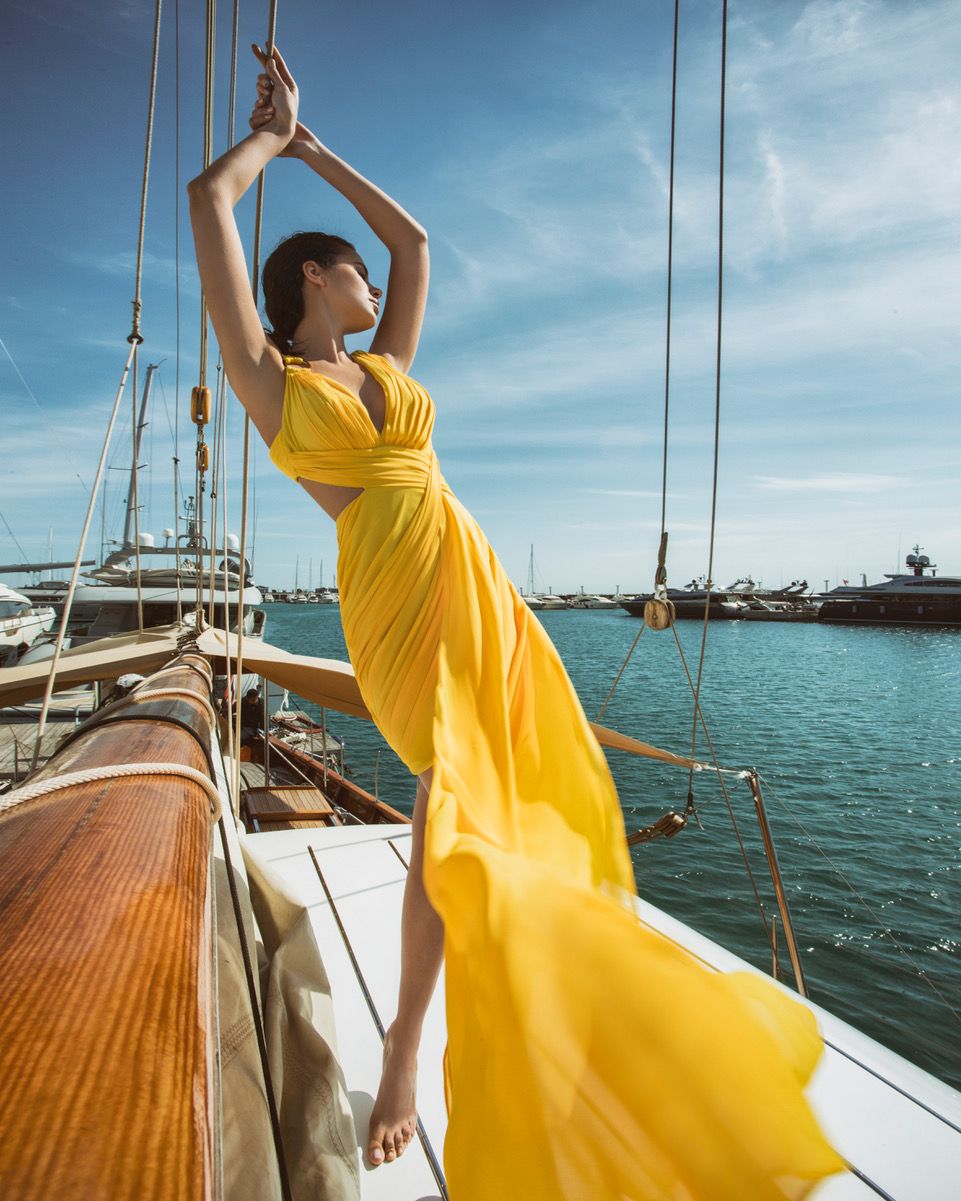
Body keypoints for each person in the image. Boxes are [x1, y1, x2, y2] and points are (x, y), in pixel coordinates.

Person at [189, 46, 844, 1200]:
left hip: (481, 590)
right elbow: (207, 201)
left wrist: (321, 144)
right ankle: (406, 1057)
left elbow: (419, 246)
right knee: (452, 805)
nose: (376, 291)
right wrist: (269, 145)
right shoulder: (266, 380)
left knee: (499, 801)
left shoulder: (388, 368)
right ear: (309, 284)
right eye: (352, 278)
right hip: (397, 608)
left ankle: (496, 1010)